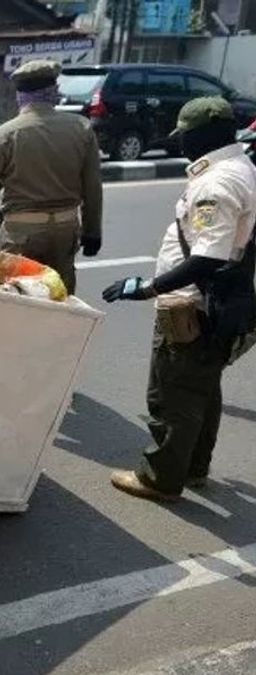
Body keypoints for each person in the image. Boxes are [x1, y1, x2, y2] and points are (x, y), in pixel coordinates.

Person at [102, 97, 256, 502]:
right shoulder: (242, 168)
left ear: (203, 134)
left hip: (194, 304)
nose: (181, 143)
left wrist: (149, 288)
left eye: (184, 135)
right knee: (203, 389)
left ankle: (160, 479)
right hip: (223, 301)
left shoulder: (217, 183)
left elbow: (208, 255)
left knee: (173, 394)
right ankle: (194, 468)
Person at [0, 60, 103, 295]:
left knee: (16, 305)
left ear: (21, 95)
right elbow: (93, 186)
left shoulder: (6, 134)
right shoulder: (81, 128)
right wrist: (93, 232)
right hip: (65, 230)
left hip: (20, 234)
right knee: (61, 300)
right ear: (53, 91)